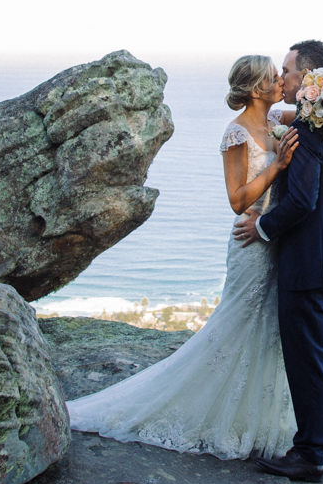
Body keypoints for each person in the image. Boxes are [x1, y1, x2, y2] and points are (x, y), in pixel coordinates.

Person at [64, 55, 301, 459]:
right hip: (250, 243)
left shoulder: (276, 120)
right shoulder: (237, 133)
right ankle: (207, 412)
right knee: (235, 324)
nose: (282, 81)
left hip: (274, 240)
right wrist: (277, 166)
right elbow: (236, 199)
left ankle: (254, 417)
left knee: (268, 330)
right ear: (256, 89)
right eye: (275, 77)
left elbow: (312, 112)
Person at [232, 39, 323, 482]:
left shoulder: (309, 131)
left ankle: (309, 454)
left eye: (287, 70)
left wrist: (264, 227)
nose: (283, 78)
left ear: (308, 76)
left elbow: (303, 199)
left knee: (308, 360)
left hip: (308, 264)